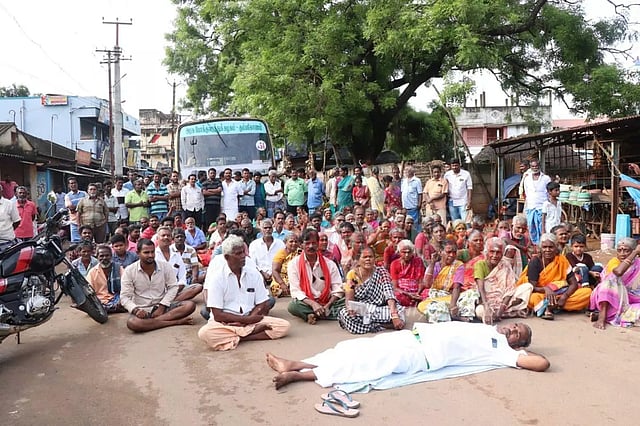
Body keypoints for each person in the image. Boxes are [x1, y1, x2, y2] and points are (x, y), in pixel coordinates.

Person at [266, 321, 549, 390]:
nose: (512, 329)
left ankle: (297, 376)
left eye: (518, 334)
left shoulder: (501, 351)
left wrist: (522, 353)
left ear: (518, 345)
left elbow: (542, 363)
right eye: (516, 325)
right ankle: (296, 363)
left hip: (421, 356)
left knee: (363, 365)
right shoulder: (487, 326)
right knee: (353, 349)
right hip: (412, 337)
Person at [197, 235, 290, 350]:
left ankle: (239, 337)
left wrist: (248, 319)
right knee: (205, 333)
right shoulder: (217, 278)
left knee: (283, 326)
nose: (243, 256)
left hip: (251, 318)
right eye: (238, 253)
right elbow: (217, 314)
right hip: (225, 323)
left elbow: (262, 303)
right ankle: (247, 333)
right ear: (227, 257)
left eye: (243, 252)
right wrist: (245, 321)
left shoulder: (253, 274)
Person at [120, 238, 196, 332]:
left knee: (190, 305)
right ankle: (176, 322)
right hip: (142, 309)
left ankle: (150, 323)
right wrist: (136, 310)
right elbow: (124, 297)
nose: (150, 255)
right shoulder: (129, 270)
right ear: (138, 253)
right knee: (132, 323)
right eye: (146, 252)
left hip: (163, 306)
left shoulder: (165, 266)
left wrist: (162, 306)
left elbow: (173, 287)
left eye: (152, 252)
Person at [516, 233, 592, 320]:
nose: (547, 250)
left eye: (551, 247)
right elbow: (531, 287)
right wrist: (546, 289)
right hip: (541, 294)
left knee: (587, 292)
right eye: (544, 247)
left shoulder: (562, 260)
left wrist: (564, 296)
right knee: (533, 298)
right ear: (540, 248)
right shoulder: (535, 261)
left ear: (556, 247)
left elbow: (573, 283)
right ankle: (553, 306)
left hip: (560, 293)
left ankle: (550, 306)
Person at [338, 247, 405, 334]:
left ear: (374, 259)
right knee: (345, 314)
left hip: (379, 308)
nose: (368, 259)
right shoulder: (353, 274)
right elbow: (349, 299)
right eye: (365, 257)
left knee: (399, 311)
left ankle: (368, 325)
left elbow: (389, 293)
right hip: (362, 309)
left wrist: (394, 315)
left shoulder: (381, 272)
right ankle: (382, 325)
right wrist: (350, 309)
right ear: (358, 259)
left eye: (370, 257)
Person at [287, 228, 345, 324]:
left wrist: (328, 304)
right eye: (307, 243)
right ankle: (325, 314)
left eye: (314, 243)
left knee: (347, 300)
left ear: (318, 244)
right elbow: (296, 291)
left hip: (328, 301)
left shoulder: (329, 263)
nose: (311, 246)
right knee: (293, 306)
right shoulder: (293, 264)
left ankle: (312, 315)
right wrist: (313, 304)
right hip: (307, 302)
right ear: (301, 245)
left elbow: (337, 287)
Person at [475, 237, 532, 323]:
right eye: (492, 252)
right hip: (486, 300)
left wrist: (502, 308)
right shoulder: (480, 264)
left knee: (527, 287)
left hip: (504, 300)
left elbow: (510, 289)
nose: (495, 255)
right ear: (486, 252)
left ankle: (500, 314)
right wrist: (486, 306)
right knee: (479, 311)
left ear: (502, 254)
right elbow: (481, 288)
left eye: (498, 252)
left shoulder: (505, 265)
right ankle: (508, 314)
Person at [417, 241, 477, 322]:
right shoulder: (434, 265)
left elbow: (456, 287)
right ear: (440, 252)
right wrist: (432, 263)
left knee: (472, 293)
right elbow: (427, 284)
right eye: (448, 252)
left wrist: (453, 305)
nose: (452, 255)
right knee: (426, 306)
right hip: (435, 298)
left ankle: (451, 314)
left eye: (454, 252)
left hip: (451, 297)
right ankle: (453, 317)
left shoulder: (459, 265)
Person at [590, 237, 640, 329]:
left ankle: (610, 316)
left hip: (630, 300)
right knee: (610, 281)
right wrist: (635, 252)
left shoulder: (638, 263)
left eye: (626, 251)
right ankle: (602, 316)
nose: (622, 254)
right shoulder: (614, 261)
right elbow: (618, 272)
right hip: (608, 298)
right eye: (619, 250)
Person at [86, 245, 126, 313]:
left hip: (118, 298)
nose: (104, 258)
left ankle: (110, 309)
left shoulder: (119, 268)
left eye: (107, 255)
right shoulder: (92, 272)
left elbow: (126, 286)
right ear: (97, 257)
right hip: (101, 300)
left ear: (111, 256)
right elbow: (89, 290)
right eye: (101, 256)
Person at [521, 160, 551, 245]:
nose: (535, 168)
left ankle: (543, 244)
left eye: (536, 166)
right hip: (531, 207)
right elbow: (526, 192)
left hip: (542, 207)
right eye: (533, 166)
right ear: (530, 167)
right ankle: (534, 245)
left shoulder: (546, 178)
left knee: (542, 227)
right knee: (531, 227)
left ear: (539, 166)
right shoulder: (527, 179)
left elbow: (549, 192)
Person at [390, 239, 426, 307]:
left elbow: (421, 281)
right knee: (396, 295)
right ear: (399, 252)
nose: (407, 255)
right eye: (404, 252)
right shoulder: (394, 264)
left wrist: (418, 293)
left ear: (412, 252)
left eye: (409, 252)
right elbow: (395, 286)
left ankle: (416, 302)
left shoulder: (418, 261)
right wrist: (409, 294)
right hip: (404, 292)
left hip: (417, 291)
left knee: (428, 293)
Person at [249, 219, 285, 285]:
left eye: (269, 228)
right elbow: (252, 263)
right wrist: (262, 273)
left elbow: (283, 261)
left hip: (277, 276)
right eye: (265, 228)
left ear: (272, 229)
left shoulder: (280, 244)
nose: (268, 230)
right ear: (261, 230)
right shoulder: (254, 245)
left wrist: (274, 273)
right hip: (259, 277)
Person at [444, 158, 473, 223]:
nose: (454, 167)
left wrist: (469, 201)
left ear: (459, 165)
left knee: (466, 221)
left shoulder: (466, 174)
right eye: (453, 166)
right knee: (455, 222)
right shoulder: (447, 175)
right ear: (451, 166)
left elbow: (469, 188)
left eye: (456, 165)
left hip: (463, 201)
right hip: (452, 202)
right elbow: (445, 187)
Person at [64, 178, 88, 242]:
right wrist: (82, 206)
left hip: (85, 222)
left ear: (77, 184)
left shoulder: (84, 193)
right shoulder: (67, 196)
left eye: (74, 183)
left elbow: (88, 205)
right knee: (75, 243)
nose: (73, 184)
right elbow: (71, 208)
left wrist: (75, 208)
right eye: (71, 183)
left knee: (86, 241)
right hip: (74, 223)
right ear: (69, 185)